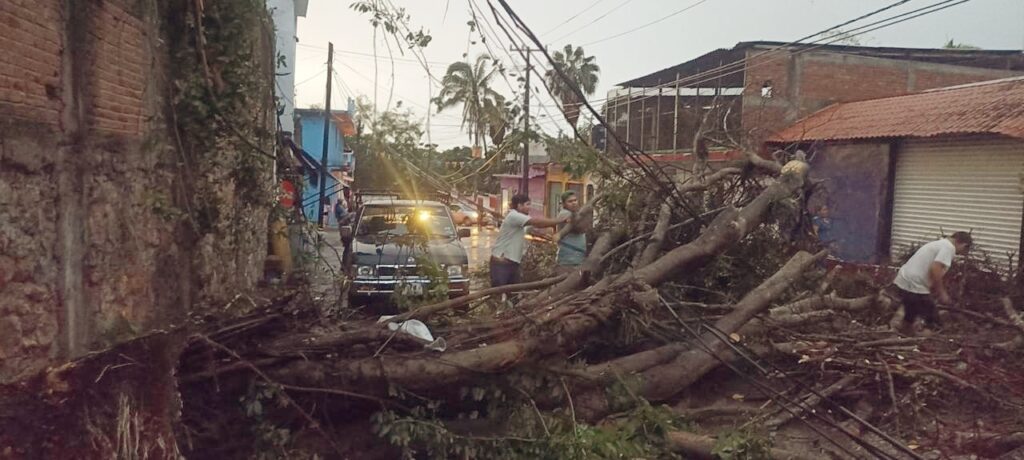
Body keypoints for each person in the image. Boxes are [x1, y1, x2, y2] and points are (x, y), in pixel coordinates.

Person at [891, 232, 972, 334]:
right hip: (916, 283)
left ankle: (905, 332)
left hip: (905, 279)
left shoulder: (940, 244)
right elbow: (935, 268)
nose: (961, 253)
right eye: (964, 250)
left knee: (911, 310)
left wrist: (932, 286)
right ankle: (935, 336)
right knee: (930, 314)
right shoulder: (949, 248)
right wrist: (942, 292)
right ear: (964, 245)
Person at [490, 194, 569, 287]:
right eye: (527, 204)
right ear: (519, 205)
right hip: (502, 263)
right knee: (499, 293)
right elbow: (537, 222)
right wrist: (560, 220)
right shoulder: (514, 216)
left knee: (513, 294)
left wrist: (547, 236)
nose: (529, 207)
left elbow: (532, 229)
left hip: (513, 263)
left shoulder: (520, 219)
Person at [555, 191, 586, 275]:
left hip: (577, 259)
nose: (574, 203)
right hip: (568, 261)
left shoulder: (574, 214)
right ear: (564, 204)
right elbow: (580, 228)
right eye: (570, 201)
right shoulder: (564, 214)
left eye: (575, 200)